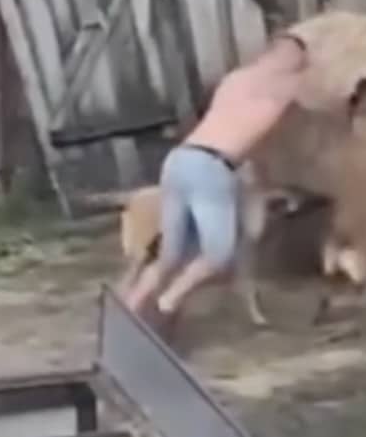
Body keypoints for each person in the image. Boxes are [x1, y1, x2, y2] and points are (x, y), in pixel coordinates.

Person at [122, 32, 324, 324]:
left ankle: (130, 309)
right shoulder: (285, 85)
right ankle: (168, 303)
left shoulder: (235, 79)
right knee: (218, 255)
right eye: (298, 59)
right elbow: (322, 98)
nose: (300, 65)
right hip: (210, 167)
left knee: (171, 255)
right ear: (284, 56)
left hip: (180, 160)